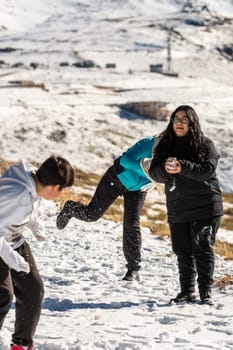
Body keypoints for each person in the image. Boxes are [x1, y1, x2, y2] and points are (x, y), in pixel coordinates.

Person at [148, 105, 223, 305]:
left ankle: (206, 292)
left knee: (202, 245)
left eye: (184, 119)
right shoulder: (165, 145)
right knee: (182, 250)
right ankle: (187, 291)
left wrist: (183, 167)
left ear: (192, 123)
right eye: (176, 119)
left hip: (205, 204)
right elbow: (154, 173)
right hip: (178, 205)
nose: (179, 123)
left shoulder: (205, 144)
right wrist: (165, 169)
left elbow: (207, 170)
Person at [56, 136, 160, 281]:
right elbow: (125, 160)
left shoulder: (177, 156)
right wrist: (145, 166)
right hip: (117, 177)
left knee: (132, 224)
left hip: (138, 189)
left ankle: (133, 269)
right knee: (92, 215)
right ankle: (71, 208)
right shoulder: (150, 143)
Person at [0, 156, 74, 350]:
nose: (62, 193)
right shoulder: (17, 193)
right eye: (63, 188)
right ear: (53, 187)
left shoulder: (34, 181)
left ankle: (21, 344)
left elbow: (20, 209)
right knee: (3, 296)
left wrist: (33, 223)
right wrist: (11, 258)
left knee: (33, 290)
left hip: (13, 239)